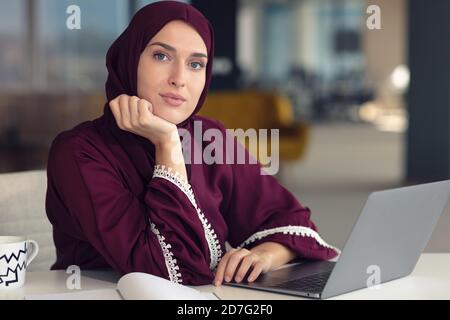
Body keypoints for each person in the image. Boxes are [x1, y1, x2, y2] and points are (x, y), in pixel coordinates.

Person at [45, 1, 339, 286]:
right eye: (162, 56)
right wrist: (167, 144)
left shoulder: (209, 136)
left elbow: (292, 220)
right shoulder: (79, 152)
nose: (180, 79)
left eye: (196, 64)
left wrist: (267, 254)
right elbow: (167, 272)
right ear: (129, 59)